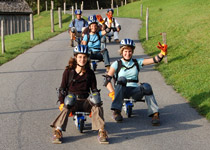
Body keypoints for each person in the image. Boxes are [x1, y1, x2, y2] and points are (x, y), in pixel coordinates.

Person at [50, 45, 109, 144]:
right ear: (76, 57)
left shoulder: (90, 73)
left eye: (85, 57)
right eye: (80, 57)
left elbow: (94, 89)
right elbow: (62, 89)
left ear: (87, 58)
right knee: (69, 100)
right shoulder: (68, 72)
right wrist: (61, 102)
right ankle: (58, 131)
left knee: (96, 101)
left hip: (85, 101)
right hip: (73, 102)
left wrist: (96, 100)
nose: (82, 59)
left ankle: (101, 131)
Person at [103, 38, 168, 126]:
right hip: (122, 91)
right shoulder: (116, 64)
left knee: (146, 86)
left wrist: (162, 53)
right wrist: (112, 92)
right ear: (122, 51)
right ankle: (117, 112)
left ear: (132, 52)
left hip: (134, 90)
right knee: (122, 79)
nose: (127, 53)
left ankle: (155, 114)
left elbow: (154, 60)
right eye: (125, 51)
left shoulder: (137, 62)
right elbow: (107, 80)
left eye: (130, 51)